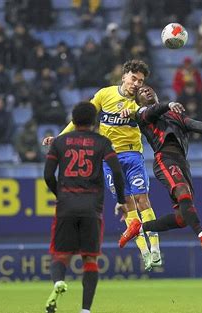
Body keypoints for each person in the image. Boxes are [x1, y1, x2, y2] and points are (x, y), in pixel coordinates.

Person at [42, 60, 160, 271]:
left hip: (133, 156)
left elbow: (151, 113)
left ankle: (156, 249)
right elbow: (84, 116)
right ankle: (145, 252)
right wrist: (59, 138)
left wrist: (135, 112)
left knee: (143, 199)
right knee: (128, 206)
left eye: (140, 81)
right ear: (124, 76)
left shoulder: (141, 100)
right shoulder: (105, 94)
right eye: (134, 78)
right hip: (109, 159)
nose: (136, 84)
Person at [118, 85, 202, 251]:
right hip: (165, 158)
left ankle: (139, 227)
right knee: (182, 191)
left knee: (182, 218)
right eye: (141, 92)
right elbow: (153, 111)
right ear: (138, 100)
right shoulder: (141, 113)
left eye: (149, 89)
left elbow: (189, 122)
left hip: (182, 162)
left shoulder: (173, 113)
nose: (146, 91)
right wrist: (169, 104)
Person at [43, 102, 128, 313]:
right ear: (94, 121)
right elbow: (117, 173)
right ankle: (85, 311)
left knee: (60, 255)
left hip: (66, 205)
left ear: (74, 119)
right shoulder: (102, 142)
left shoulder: (60, 142)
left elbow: (47, 175)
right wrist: (121, 200)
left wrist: (60, 195)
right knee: (89, 258)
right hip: (91, 207)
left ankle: (59, 282)